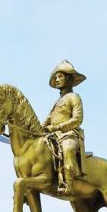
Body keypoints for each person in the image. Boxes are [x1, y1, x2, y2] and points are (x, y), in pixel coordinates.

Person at [43, 60, 86, 195]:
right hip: (54, 136)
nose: (57, 79)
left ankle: (68, 185)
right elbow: (47, 120)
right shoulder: (57, 102)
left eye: (60, 76)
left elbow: (77, 120)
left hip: (69, 135)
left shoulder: (74, 97)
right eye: (55, 77)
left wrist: (58, 127)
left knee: (67, 149)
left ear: (69, 78)